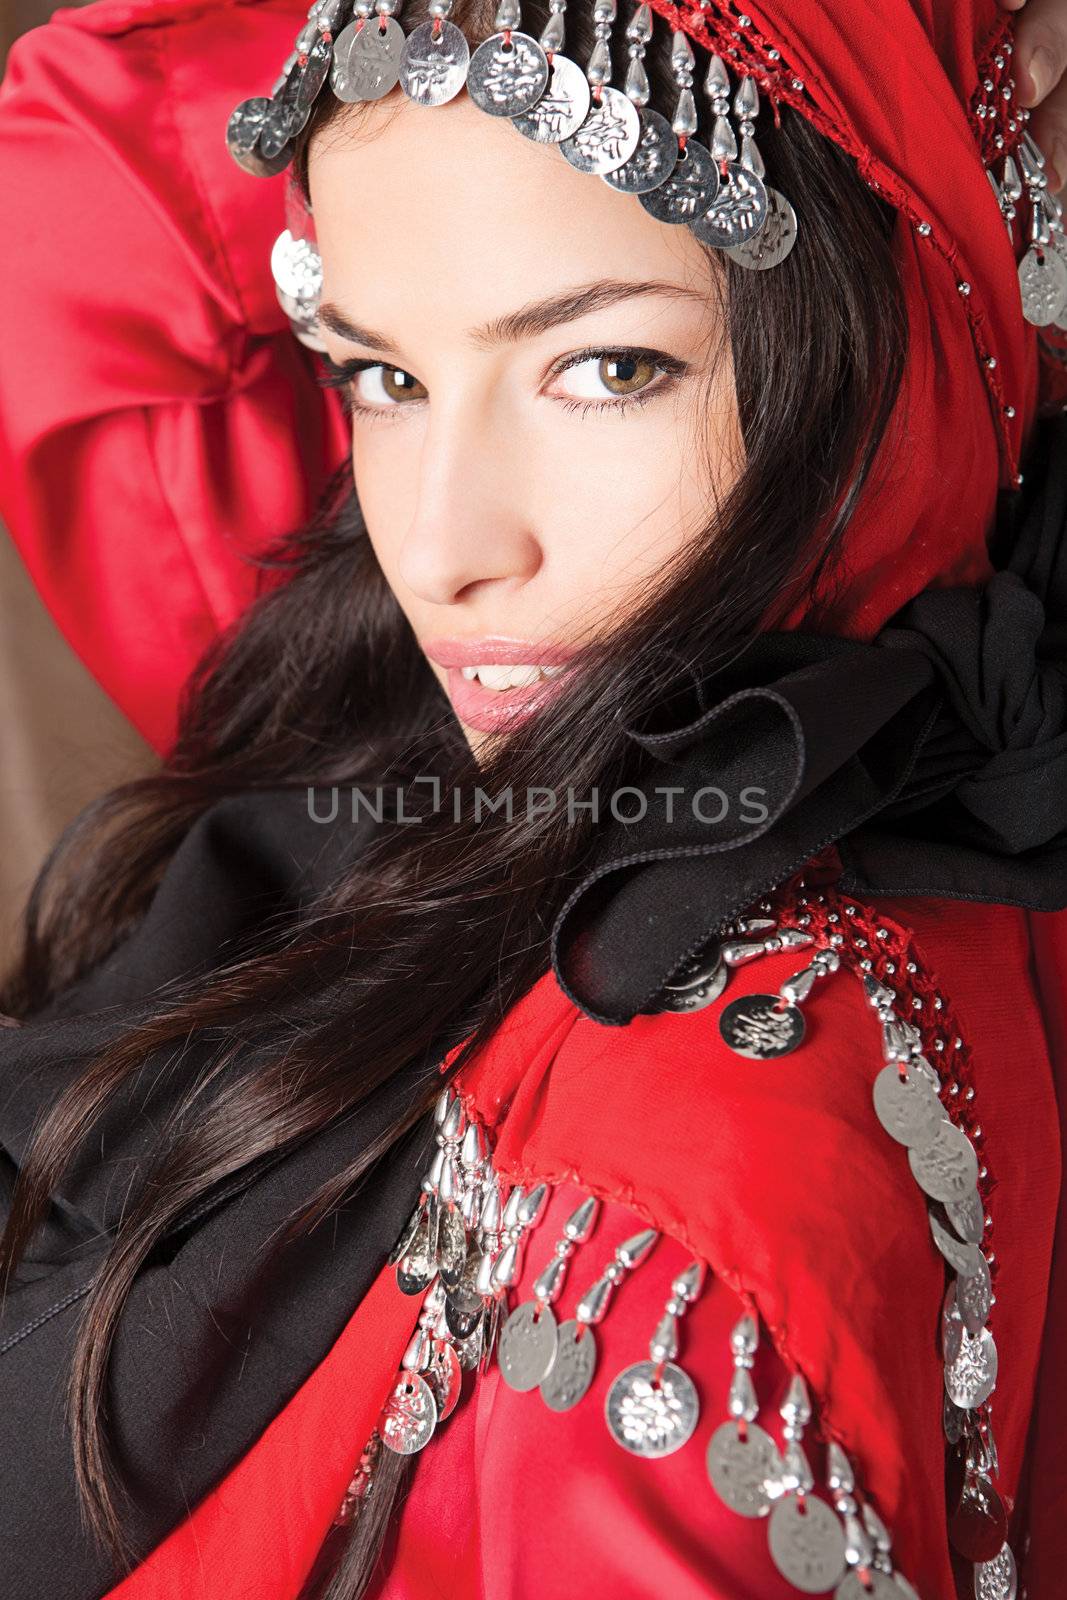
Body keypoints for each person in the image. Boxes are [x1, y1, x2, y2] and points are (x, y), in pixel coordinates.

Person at [1, 1, 1067, 1598]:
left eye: (606, 366)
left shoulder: (702, 1175)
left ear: (896, 315)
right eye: (381, 374)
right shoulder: (472, 743)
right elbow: (68, 219)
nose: (441, 546)